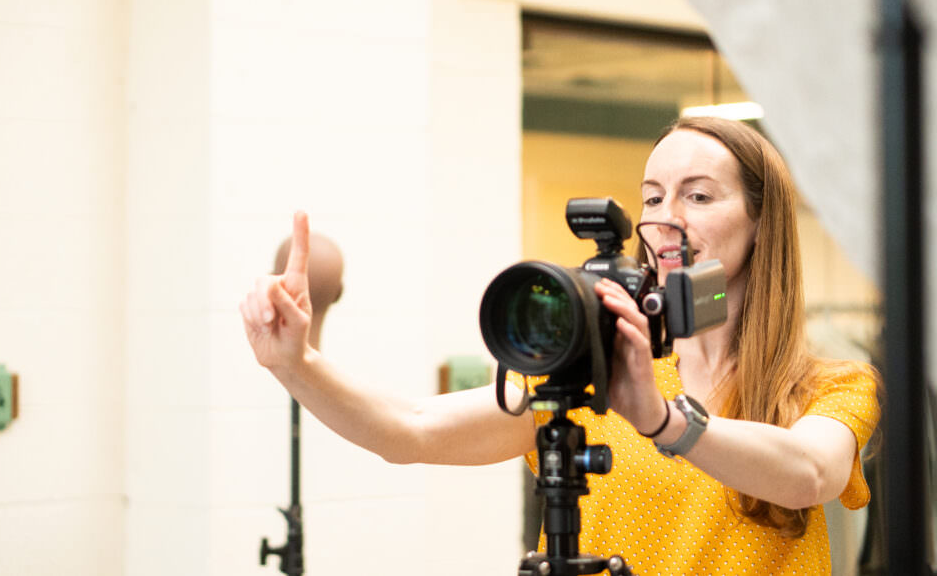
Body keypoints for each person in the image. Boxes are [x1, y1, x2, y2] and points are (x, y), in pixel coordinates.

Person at [240, 116, 880, 575]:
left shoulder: (831, 384)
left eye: (699, 195)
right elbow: (408, 429)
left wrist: (662, 420)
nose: (668, 218)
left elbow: (808, 472)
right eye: (653, 197)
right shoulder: (593, 369)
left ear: (761, 223)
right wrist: (296, 365)